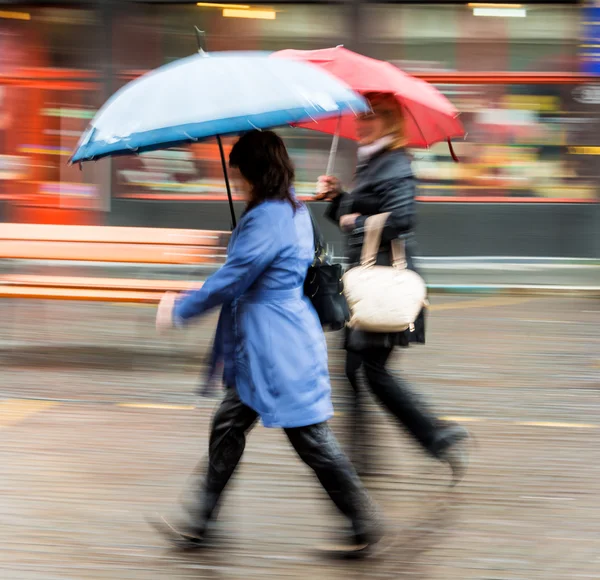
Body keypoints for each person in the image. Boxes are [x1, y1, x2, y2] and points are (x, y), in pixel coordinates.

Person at [154, 130, 381, 555]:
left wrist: (180, 308)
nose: (236, 183)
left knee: (309, 437)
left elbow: (234, 278)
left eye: (239, 175)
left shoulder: (268, 218)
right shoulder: (288, 208)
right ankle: (199, 523)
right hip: (268, 341)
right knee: (229, 427)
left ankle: (363, 521)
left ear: (255, 173)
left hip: (272, 346)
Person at [316, 92, 469, 483]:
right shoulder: (374, 161)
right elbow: (359, 213)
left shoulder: (396, 163)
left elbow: (402, 218)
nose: (361, 123)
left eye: (370, 116)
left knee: (369, 371)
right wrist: (338, 199)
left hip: (382, 285)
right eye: (359, 115)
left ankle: (436, 436)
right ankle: (366, 458)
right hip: (367, 283)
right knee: (354, 371)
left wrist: (356, 222)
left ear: (391, 121)